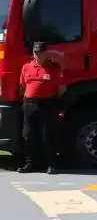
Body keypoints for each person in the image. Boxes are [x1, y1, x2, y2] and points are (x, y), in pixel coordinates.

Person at [18, 41, 64, 174]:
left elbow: (61, 89)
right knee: (28, 135)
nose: (37, 55)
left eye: (40, 53)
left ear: (46, 53)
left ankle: (51, 165)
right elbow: (22, 86)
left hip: (47, 104)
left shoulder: (54, 68)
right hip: (29, 103)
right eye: (35, 53)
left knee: (47, 136)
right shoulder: (26, 67)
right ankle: (29, 164)